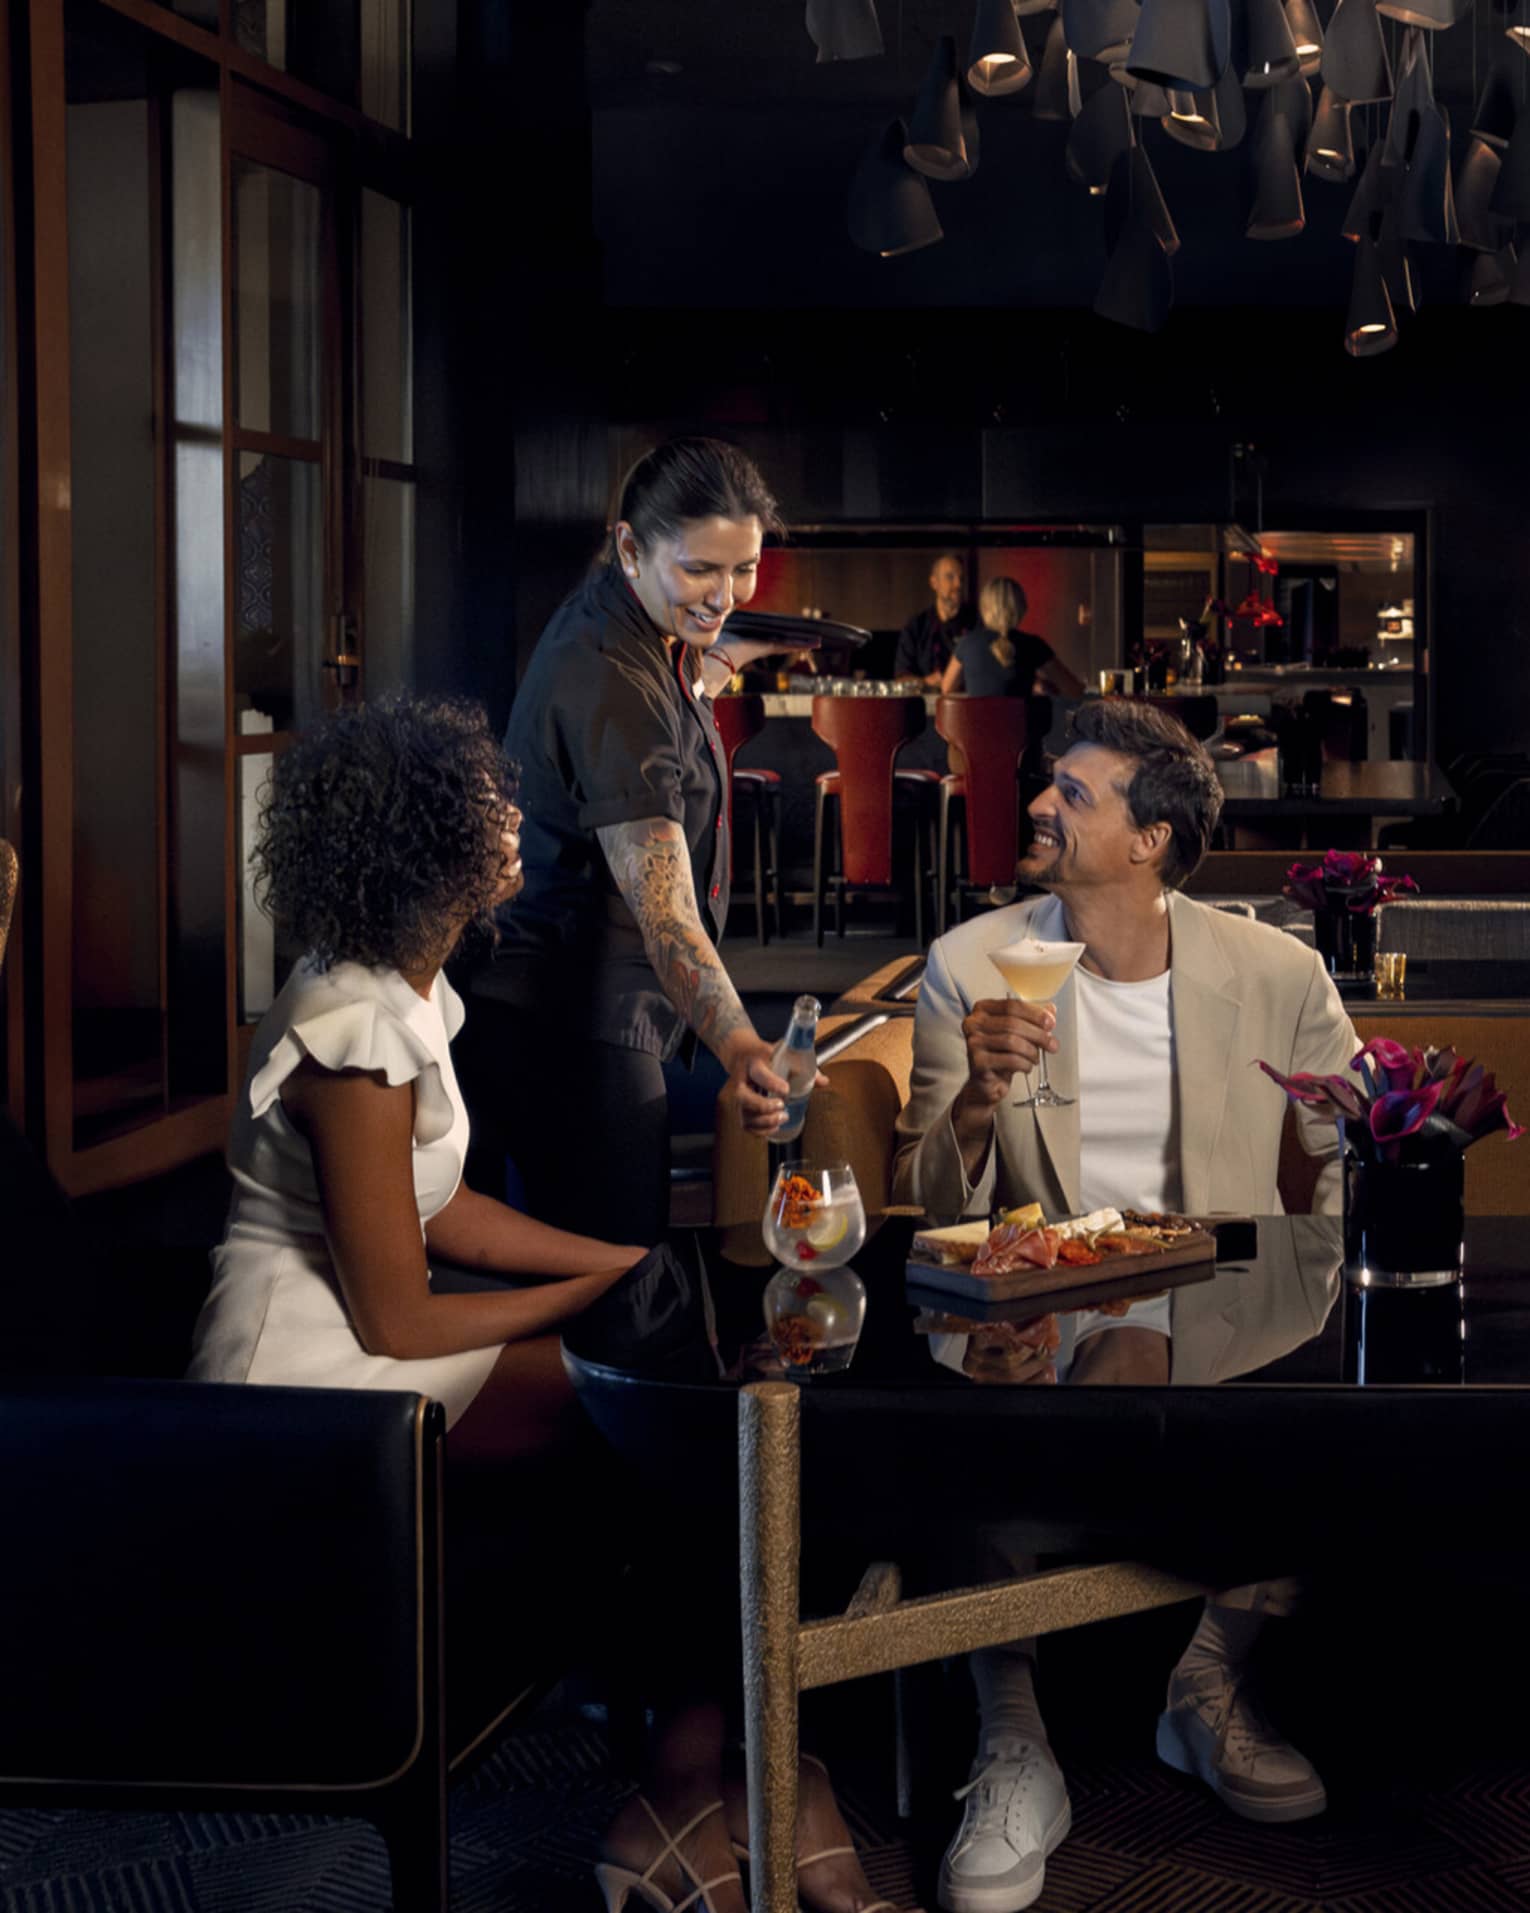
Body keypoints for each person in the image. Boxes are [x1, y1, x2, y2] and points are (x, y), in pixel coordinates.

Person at [891, 698, 1358, 1913]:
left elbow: (1347, 1150)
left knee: (1341, 1398)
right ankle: (1012, 1733)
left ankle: (1206, 1685)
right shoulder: (973, 962)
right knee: (975, 1385)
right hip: (1034, 1283)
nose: (1040, 802)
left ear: (1152, 839)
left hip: (1225, 1289)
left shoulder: (1278, 971)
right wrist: (981, 1100)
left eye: (1075, 792)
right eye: (1049, 781)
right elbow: (925, 1198)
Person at [186, 695, 648, 1443]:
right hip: (296, 1381)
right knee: (617, 1398)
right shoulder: (356, 1039)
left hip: (363, 1340)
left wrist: (624, 1261)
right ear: (423, 847)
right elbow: (397, 1324)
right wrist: (586, 1293)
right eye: (485, 806)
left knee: (636, 1366)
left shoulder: (408, 983)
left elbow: (442, 1204)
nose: (513, 818)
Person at [467, 437, 820, 1248]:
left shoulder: (626, 614)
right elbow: (667, 915)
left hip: (588, 999)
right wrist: (740, 1046)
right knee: (621, 1269)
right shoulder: (609, 680)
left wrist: (728, 654)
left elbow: (683, 688)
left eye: (744, 569)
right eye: (701, 569)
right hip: (569, 1018)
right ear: (630, 545)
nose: (725, 595)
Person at [939, 576, 1084, 700]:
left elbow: (946, 689)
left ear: (984, 608)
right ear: (1021, 608)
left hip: (973, 732)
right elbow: (1074, 690)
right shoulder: (1033, 645)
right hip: (1023, 733)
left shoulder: (967, 643)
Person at [894, 552, 974, 686]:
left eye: (961, 578)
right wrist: (925, 681)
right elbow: (901, 679)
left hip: (966, 705)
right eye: (950, 577)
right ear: (934, 583)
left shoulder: (976, 623)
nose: (958, 584)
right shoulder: (916, 627)